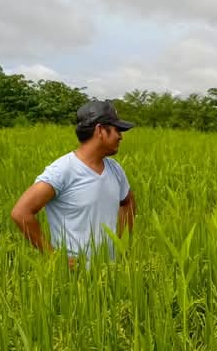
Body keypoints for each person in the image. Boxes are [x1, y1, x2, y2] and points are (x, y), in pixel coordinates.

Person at [10, 100, 137, 265]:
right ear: (100, 130)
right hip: (75, 279)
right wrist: (53, 257)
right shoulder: (62, 171)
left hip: (111, 274)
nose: (121, 136)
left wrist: (122, 243)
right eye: (116, 130)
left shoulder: (115, 169)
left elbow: (128, 202)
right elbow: (20, 213)